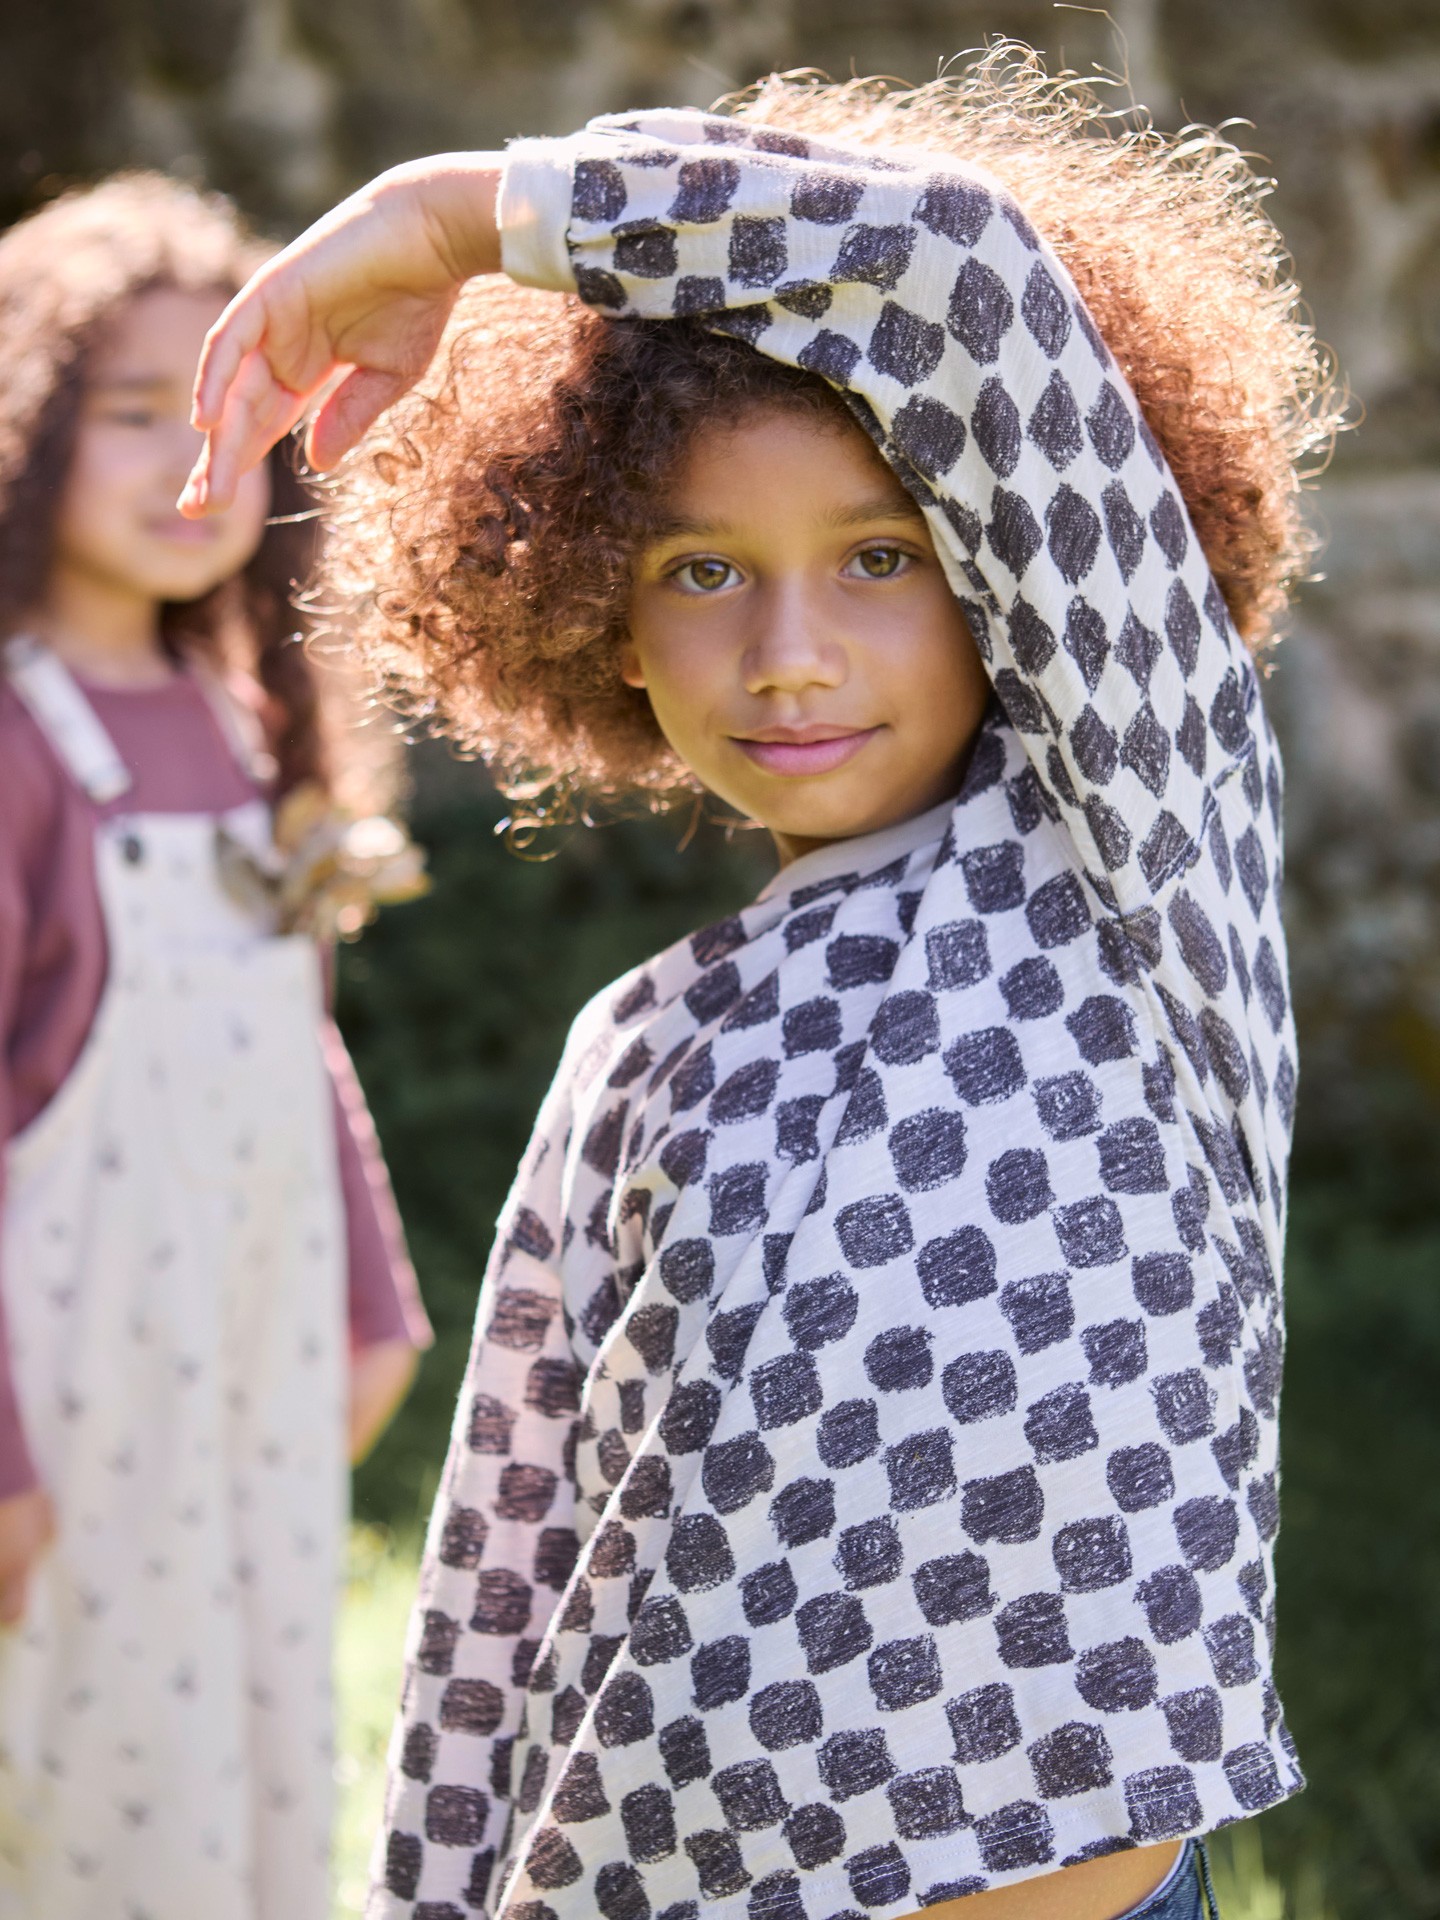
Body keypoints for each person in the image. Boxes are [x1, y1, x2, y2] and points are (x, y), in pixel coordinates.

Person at [182, 47, 1343, 1920]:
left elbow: (958, 281)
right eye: (705, 571)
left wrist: (467, 219)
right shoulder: (635, 1049)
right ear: (600, 620)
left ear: (1009, 573)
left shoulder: (1132, 857)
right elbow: (504, 1586)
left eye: (881, 560)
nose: (791, 655)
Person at [0, 176, 430, 1918]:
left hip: (237, 1364)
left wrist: (371, 1296)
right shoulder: (20, 744)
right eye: (130, 419)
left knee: (242, 1741)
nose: (194, 470)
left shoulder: (241, 722)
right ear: (22, 433)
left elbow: (291, 1042)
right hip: (68, 1388)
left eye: (231, 424)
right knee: (86, 1777)